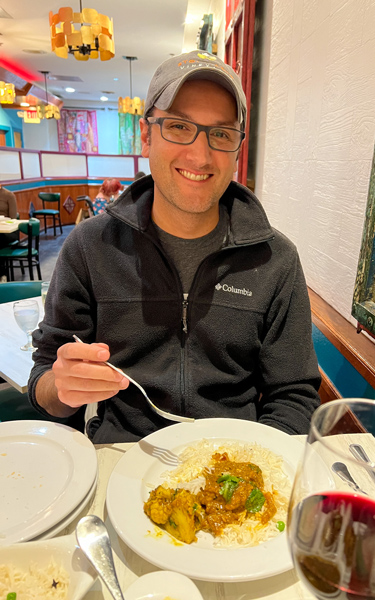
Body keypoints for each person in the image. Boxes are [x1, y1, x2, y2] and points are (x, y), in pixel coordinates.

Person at [28, 50, 321, 443]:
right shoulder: (90, 247)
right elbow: (47, 376)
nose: (200, 156)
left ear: (237, 148)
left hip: (233, 465)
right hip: (122, 456)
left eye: (221, 133)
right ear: (146, 135)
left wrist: (254, 467)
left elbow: (294, 395)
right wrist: (62, 389)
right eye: (179, 127)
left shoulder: (276, 261)